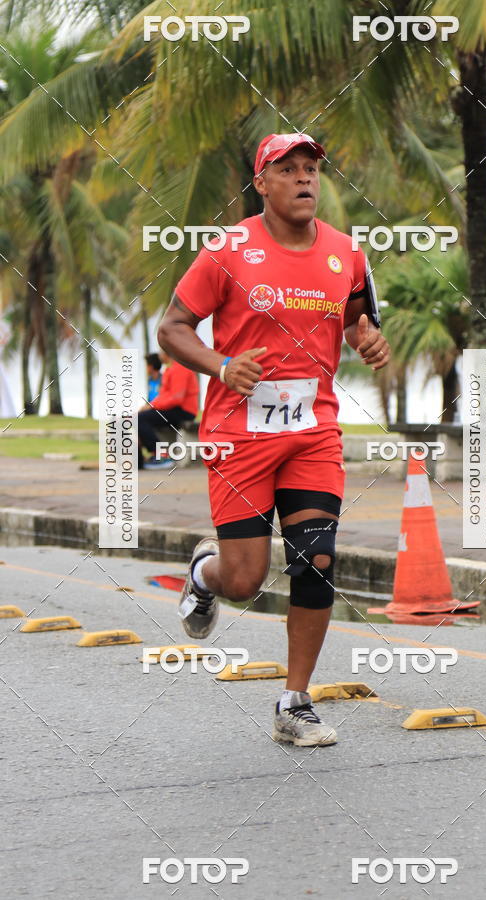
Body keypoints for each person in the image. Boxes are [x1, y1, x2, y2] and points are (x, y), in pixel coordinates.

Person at [157, 132, 390, 746]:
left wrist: (370, 340)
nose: (305, 178)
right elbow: (172, 327)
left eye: (311, 168)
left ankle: (295, 703)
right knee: (246, 581)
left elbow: (362, 319)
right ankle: (205, 575)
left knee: (316, 560)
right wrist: (219, 365)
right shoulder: (227, 251)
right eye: (289, 169)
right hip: (239, 434)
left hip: (314, 432)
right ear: (262, 183)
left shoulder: (347, 253)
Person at [138, 351, 199, 469]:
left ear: (168, 352)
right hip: (175, 410)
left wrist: (152, 406)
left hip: (183, 411)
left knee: (140, 419)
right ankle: (155, 455)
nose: (159, 354)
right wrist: (151, 406)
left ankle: (162, 456)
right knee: (140, 417)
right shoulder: (170, 369)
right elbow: (164, 396)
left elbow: (176, 399)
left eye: (161, 351)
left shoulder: (180, 368)